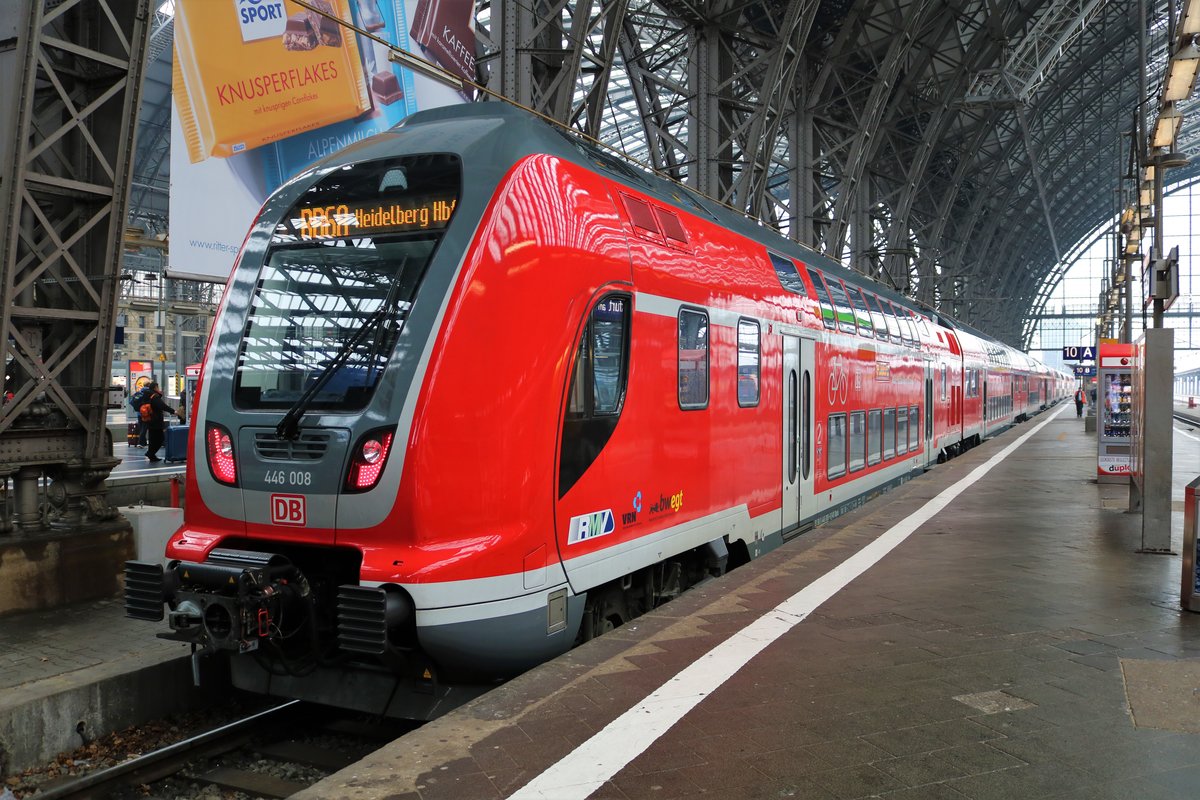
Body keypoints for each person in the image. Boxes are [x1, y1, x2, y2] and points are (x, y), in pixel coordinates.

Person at [142, 381, 176, 463]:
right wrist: (173, 411)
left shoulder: (146, 395)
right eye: (158, 387)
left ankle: (152, 455)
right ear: (155, 388)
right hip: (156, 420)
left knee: (152, 439)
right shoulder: (155, 396)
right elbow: (162, 406)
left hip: (149, 419)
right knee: (160, 438)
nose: (159, 389)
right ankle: (150, 453)